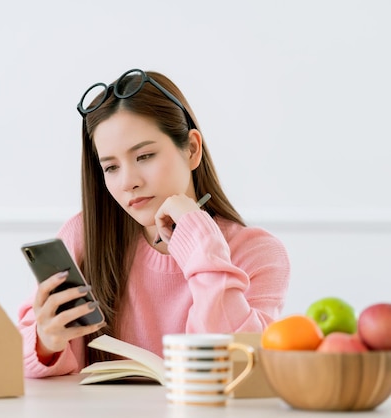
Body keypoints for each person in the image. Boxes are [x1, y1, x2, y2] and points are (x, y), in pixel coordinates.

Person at [17, 68, 290, 378]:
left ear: (192, 149)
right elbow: (20, 355)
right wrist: (46, 341)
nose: (128, 182)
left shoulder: (257, 252)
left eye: (145, 156)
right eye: (110, 167)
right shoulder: (84, 235)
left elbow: (243, 368)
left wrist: (200, 241)